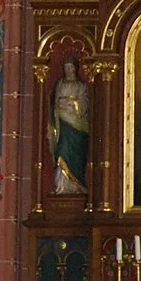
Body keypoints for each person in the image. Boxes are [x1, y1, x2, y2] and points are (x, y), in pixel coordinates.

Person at [50, 55, 91, 195]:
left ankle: (76, 185)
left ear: (75, 69)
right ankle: (62, 186)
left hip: (76, 126)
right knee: (62, 152)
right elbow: (55, 103)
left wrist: (71, 104)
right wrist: (61, 106)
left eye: (70, 67)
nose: (68, 70)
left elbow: (84, 106)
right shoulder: (60, 84)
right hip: (62, 125)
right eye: (66, 67)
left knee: (76, 157)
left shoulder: (81, 86)